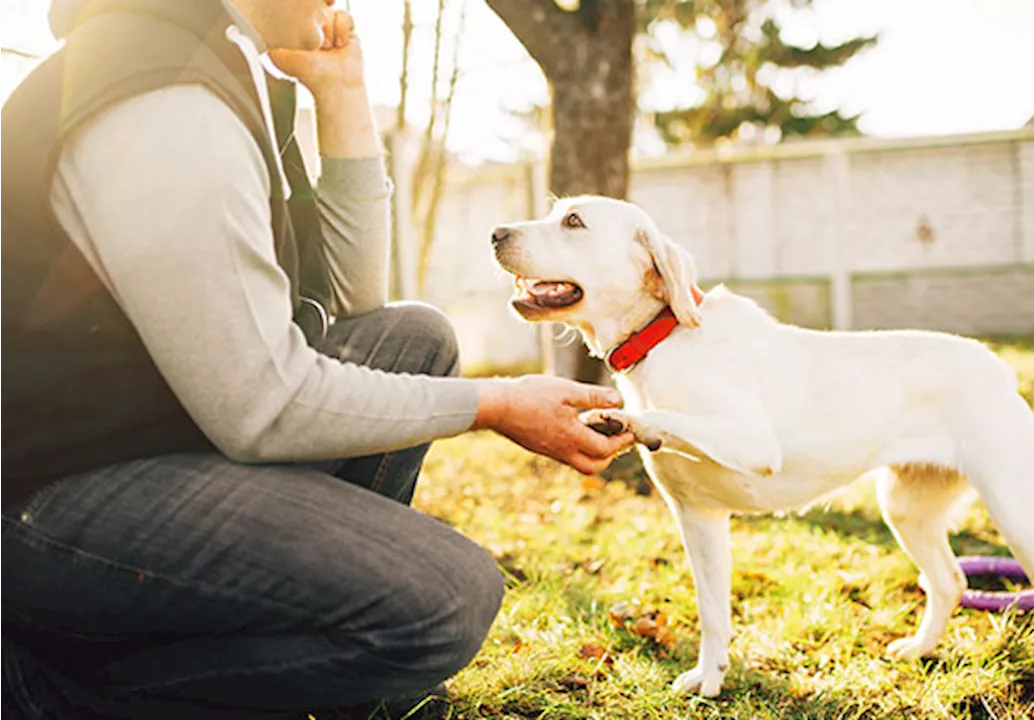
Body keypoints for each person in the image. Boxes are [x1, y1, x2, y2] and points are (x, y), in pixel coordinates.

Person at [0, 0, 635, 717]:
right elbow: (262, 407)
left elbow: (356, 302)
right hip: (42, 500)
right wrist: (493, 405)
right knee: (447, 598)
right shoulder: (164, 96)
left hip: (147, 436)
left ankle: (336, 668)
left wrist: (341, 96)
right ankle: (57, 691)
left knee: (414, 341)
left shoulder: (224, 63)